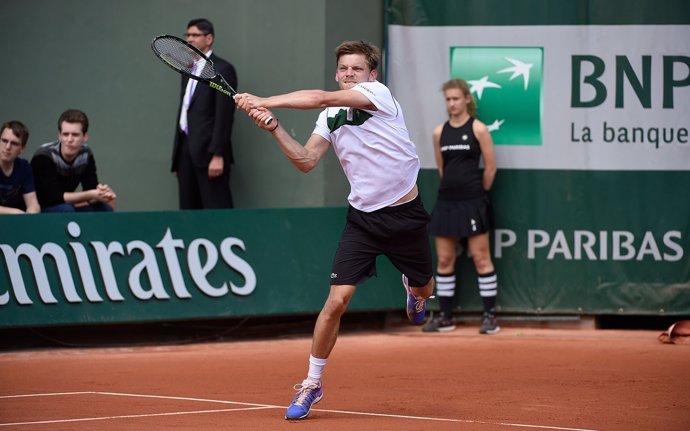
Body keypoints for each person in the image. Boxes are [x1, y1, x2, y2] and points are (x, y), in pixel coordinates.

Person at [235, 40, 435, 420]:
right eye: (343, 68)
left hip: (405, 215)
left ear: (371, 75)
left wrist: (266, 100)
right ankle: (312, 383)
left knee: (425, 287)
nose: (348, 74)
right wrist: (274, 127)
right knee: (336, 302)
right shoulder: (328, 118)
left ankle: (415, 290)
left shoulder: (379, 95)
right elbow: (306, 160)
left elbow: (322, 97)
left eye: (356, 69)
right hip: (362, 220)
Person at [422, 78, 500, 335]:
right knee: (444, 260)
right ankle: (445, 317)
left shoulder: (479, 129)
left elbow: (490, 168)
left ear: (467, 99)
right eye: (448, 99)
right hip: (447, 202)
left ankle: (490, 317)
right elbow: (442, 168)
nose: (452, 104)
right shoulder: (438, 132)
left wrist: (478, 193)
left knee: (481, 258)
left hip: (474, 202)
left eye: (456, 98)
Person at [172, 18, 237, 209]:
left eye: (195, 35)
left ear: (209, 39)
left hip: (209, 152)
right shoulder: (187, 69)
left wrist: (217, 154)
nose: (189, 39)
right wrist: (177, 157)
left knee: (216, 207)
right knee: (188, 209)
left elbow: (224, 115)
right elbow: (184, 110)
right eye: (187, 35)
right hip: (186, 149)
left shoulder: (223, 69)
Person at [31, 109, 116, 212]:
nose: (69, 140)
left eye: (75, 135)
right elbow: (54, 197)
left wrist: (101, 194)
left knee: (105, 209)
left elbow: (90, 196)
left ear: (85, 137)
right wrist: (92, 193)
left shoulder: (86, 154)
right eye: (65, 134)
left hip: (65, 206)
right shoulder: (44, 155)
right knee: (67, 209)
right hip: (41, 208)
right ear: (59, 136)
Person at [0, 121, 40, 214]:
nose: (7, 147)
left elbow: (33, 204)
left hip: (16, 222)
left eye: (14, 143)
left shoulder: (24, 167)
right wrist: (17, 213)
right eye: (4, 141)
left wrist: (29, 218)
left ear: (22, 149)